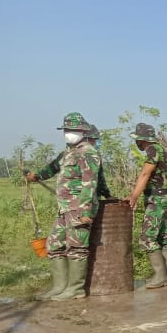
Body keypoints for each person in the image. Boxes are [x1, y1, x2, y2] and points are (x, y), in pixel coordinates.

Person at [26, 112, 101, 301]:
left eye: (73, 130)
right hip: (64, 208)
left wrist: (85, 211)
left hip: (79, 208)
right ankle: (60, 287)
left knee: (77, 248)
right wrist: (36, 176)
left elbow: (89, 183)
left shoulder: (89, 153)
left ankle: (75, 289)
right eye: (67, 129)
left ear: (83, 131)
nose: (69, 133)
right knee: (54, 245)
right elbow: (51, 168)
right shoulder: (68, 153)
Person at [125, 123, 167, 289]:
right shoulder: (162, 150)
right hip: (165, 197)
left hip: (158, 199)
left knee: (147, 238)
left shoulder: (153, 150)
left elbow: (146, 173)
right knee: (164, 236)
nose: (136, 143)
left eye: (137, 140)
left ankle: (160, 276)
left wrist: (133, 196)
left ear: (141, 139)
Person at [86, 125, 112, 199]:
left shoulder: (73, 152)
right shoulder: (95, 155)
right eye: (96, 139)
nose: (98, 141)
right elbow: (100, 177)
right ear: (88, 139)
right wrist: (107, 195)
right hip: (90, 196)